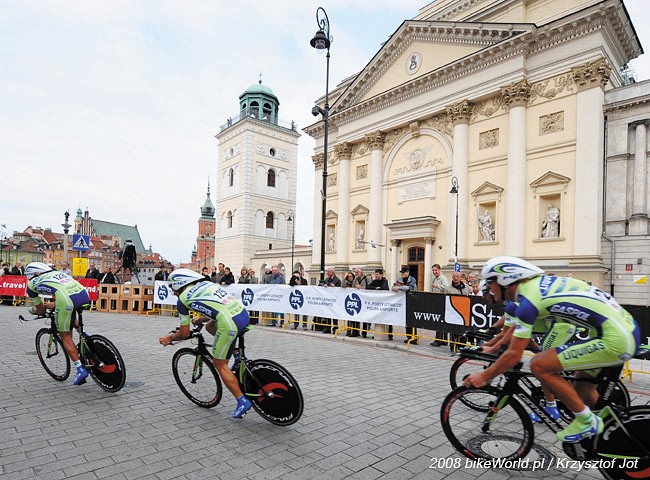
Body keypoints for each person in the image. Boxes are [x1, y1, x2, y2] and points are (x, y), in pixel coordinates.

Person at [463, 256, 640, 443]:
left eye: (490, 283)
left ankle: (586, 421)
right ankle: (610, 437)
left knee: (539, 364)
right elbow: (514, 332)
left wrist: (484, 376)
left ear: (504, 280)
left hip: (615, 337)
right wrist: (496, 346)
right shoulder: (534, 288)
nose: (487, 288)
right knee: (581, 390)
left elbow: (514, 354)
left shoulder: (527, 301)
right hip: (623, 330)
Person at [158, 268, 252, 419]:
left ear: (179, 284)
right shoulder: (207, 284)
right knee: (209, 326)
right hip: (242, 313)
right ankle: (236, 354)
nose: (173, 291)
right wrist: (201, 319)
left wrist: (169, 338)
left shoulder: (182, 299)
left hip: (229, 323)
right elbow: (216, 307)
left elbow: (184, 333)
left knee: (220, 364)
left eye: (172, 287)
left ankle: (242, 401)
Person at [25, 262, 91, 385]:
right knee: (68, 313)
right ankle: (87, 337)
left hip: (66, 300)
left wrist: (34, 311)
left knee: (65, 335)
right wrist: (47, 305)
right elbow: (60, 298)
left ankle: (80, 369)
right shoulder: (57, 273)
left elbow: (40, 310)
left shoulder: (31, 284)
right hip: (83, 294)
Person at [392, 266, 418, 344]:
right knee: (406, 320)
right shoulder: (399, 280)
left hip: (411, 301)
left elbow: (411, 287)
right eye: (401, 273)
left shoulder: (412, 279)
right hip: (402, 302)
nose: (402, 274)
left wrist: (400, 287)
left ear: (408, 273)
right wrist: (396, 288)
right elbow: (393, 287)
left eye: (403, 273)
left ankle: (414, 337)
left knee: (412, 320)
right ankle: (408, 337)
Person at [366, 268, 389, 339]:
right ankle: (376, 333)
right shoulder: (375, 281)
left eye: (377, 274)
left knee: (385, 319)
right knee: (376, 318)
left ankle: (389, 335)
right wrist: (376, 288)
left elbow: (385, 288)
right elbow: (368, 287)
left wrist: (379, 288)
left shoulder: (385, 280)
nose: (376, 276)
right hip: (376, 303)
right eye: (375, 274)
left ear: (381, 275)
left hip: (384, 303)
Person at [322, 268, 341, 334]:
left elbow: (340, 289)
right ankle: (328, 328)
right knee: (327, 314)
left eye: (328, 272)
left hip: (335, 300)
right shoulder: (327, 279)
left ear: (332, 272)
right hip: (328, 299)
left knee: (334, 314)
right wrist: (324, 285)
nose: (327, 273)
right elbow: (322, 284)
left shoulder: (337, 279)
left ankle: (335, 328)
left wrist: (335, 287)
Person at [352, 268, 370, 337]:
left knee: (365, 316)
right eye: (355, 272)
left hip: (365, 300)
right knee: (356, 315)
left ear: (361, 272)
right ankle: (355, 331)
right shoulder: (355, 280)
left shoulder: (366, 279)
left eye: (357, 272)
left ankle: (364, 332)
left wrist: (361, 287)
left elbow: (369, 288)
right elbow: (352, 287)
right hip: (357, 299)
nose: (356, 274)